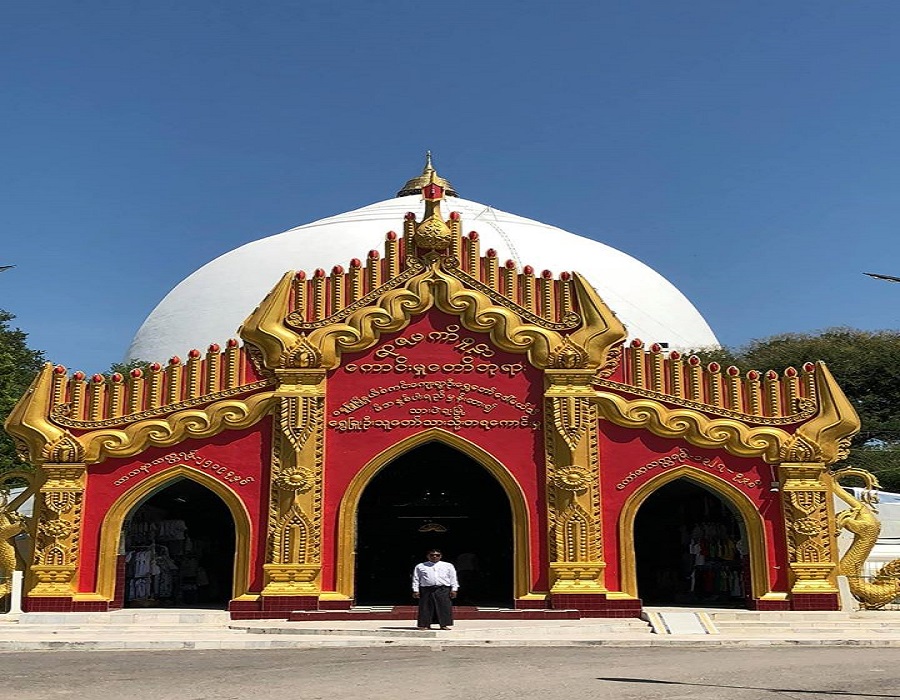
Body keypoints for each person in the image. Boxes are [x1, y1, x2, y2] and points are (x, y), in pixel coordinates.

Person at [411, 549, 458, 630]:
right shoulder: (420, 566)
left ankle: (443, 625)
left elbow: (453, 577)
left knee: (444, 607)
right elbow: (416, 578)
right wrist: (416, 590)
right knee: (425, 607)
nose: (434, 556)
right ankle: (425, 624)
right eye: (432, 555)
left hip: (443, 589)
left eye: (437, 555)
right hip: (426, 589)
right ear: (428, 556)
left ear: (441, 556)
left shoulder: (448, 565)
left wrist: (454, 589)